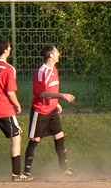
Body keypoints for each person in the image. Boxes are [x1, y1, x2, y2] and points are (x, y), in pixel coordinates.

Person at [23, 45, 76, 179]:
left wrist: (56, 103)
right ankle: (26, 172)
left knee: (59, 135)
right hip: (40, 111)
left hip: (52, 110)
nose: (59, 53)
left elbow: (52, 90)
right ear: (51, 55)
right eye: (57, 51)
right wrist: (62, 96)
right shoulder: (42, 71)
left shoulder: (54, 69)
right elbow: (41, 94)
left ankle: (64, 169)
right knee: (35, 139)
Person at [0, 40, 28, 182]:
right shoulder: (8, 69)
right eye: (9, 47)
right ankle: (16, 174)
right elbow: (10, 92)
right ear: (6, 50)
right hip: (4, 110)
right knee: (16, 138)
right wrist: (18, 105)